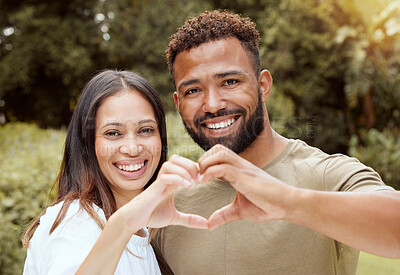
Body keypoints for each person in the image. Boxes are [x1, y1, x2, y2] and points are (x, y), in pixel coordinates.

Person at [152, 10, 400, 274]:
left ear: (263, 86)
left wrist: (286, 201)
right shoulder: (169, 205)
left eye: (230, 81)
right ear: (178, 104)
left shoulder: (327, 175)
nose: (212, 104)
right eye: (193, 90)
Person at [22, 70, 208, 274]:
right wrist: (124, 224)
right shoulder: (76, 220)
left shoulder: (143, 230)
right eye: (113, 133)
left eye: (145, 130)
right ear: (88, 143)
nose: (133, 148)